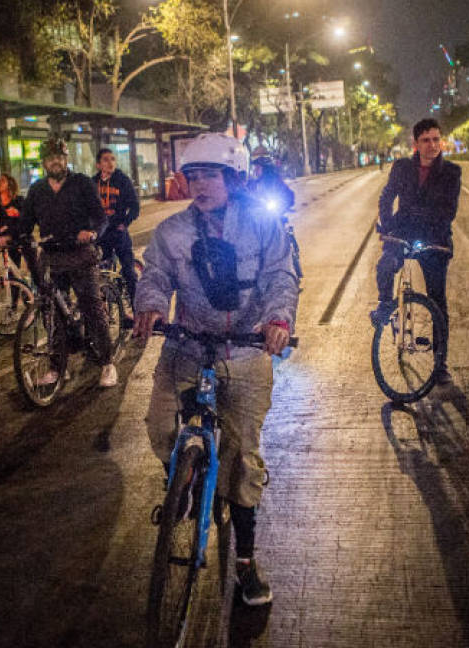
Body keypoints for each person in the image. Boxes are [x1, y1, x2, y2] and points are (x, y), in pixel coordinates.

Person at [133, 132, 299, 606]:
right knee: (160, 425)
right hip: (186, 347)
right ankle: (183, 481)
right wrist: (149, 306)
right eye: (193, 176)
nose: (200, 184)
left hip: (245, 353)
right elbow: (156, 276)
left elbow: (279, 276)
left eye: (210, 175)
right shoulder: (171, 232)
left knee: (243, 458)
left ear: (234, 178)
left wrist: (278, 319)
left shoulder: (264, 226)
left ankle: (245, 561)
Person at [21, 137, 118, 387]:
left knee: (91, 307)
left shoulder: (82, 183)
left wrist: (92, 232)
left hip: (80, 255)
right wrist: (8, 235)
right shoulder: (37, 190)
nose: (55, 161)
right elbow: (24, 223)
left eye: (59, 157)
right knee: (52, 314)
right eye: (50, 158)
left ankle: (108, 363)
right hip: (51, 258)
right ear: (44, 163)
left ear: (66, 159)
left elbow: (100, 217)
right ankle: (57, 367)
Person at [373, 117, 461, 382]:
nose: (432, 145)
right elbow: (386, 197)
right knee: (386, 265)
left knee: (437, 299)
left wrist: (426, 224)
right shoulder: (401, 168)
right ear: (415, 144)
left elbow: (449, 210)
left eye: (436, 139)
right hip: (403, 231)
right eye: (426, 140)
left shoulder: (452, 172)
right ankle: (385, 306)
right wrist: (388, 226)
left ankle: (440, 361)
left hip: (435, 238)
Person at [94, 148, 140, 303]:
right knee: (100, 274)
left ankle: (136, 310)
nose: (110, 162)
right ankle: (111, 309)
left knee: (129, 272)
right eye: (106, 159)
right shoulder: (93, 183)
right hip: (101, 234)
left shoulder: (122, 180)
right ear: (98, 165)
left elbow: (135, 206)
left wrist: (124, 223)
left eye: (113, 159)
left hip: (118, 233)